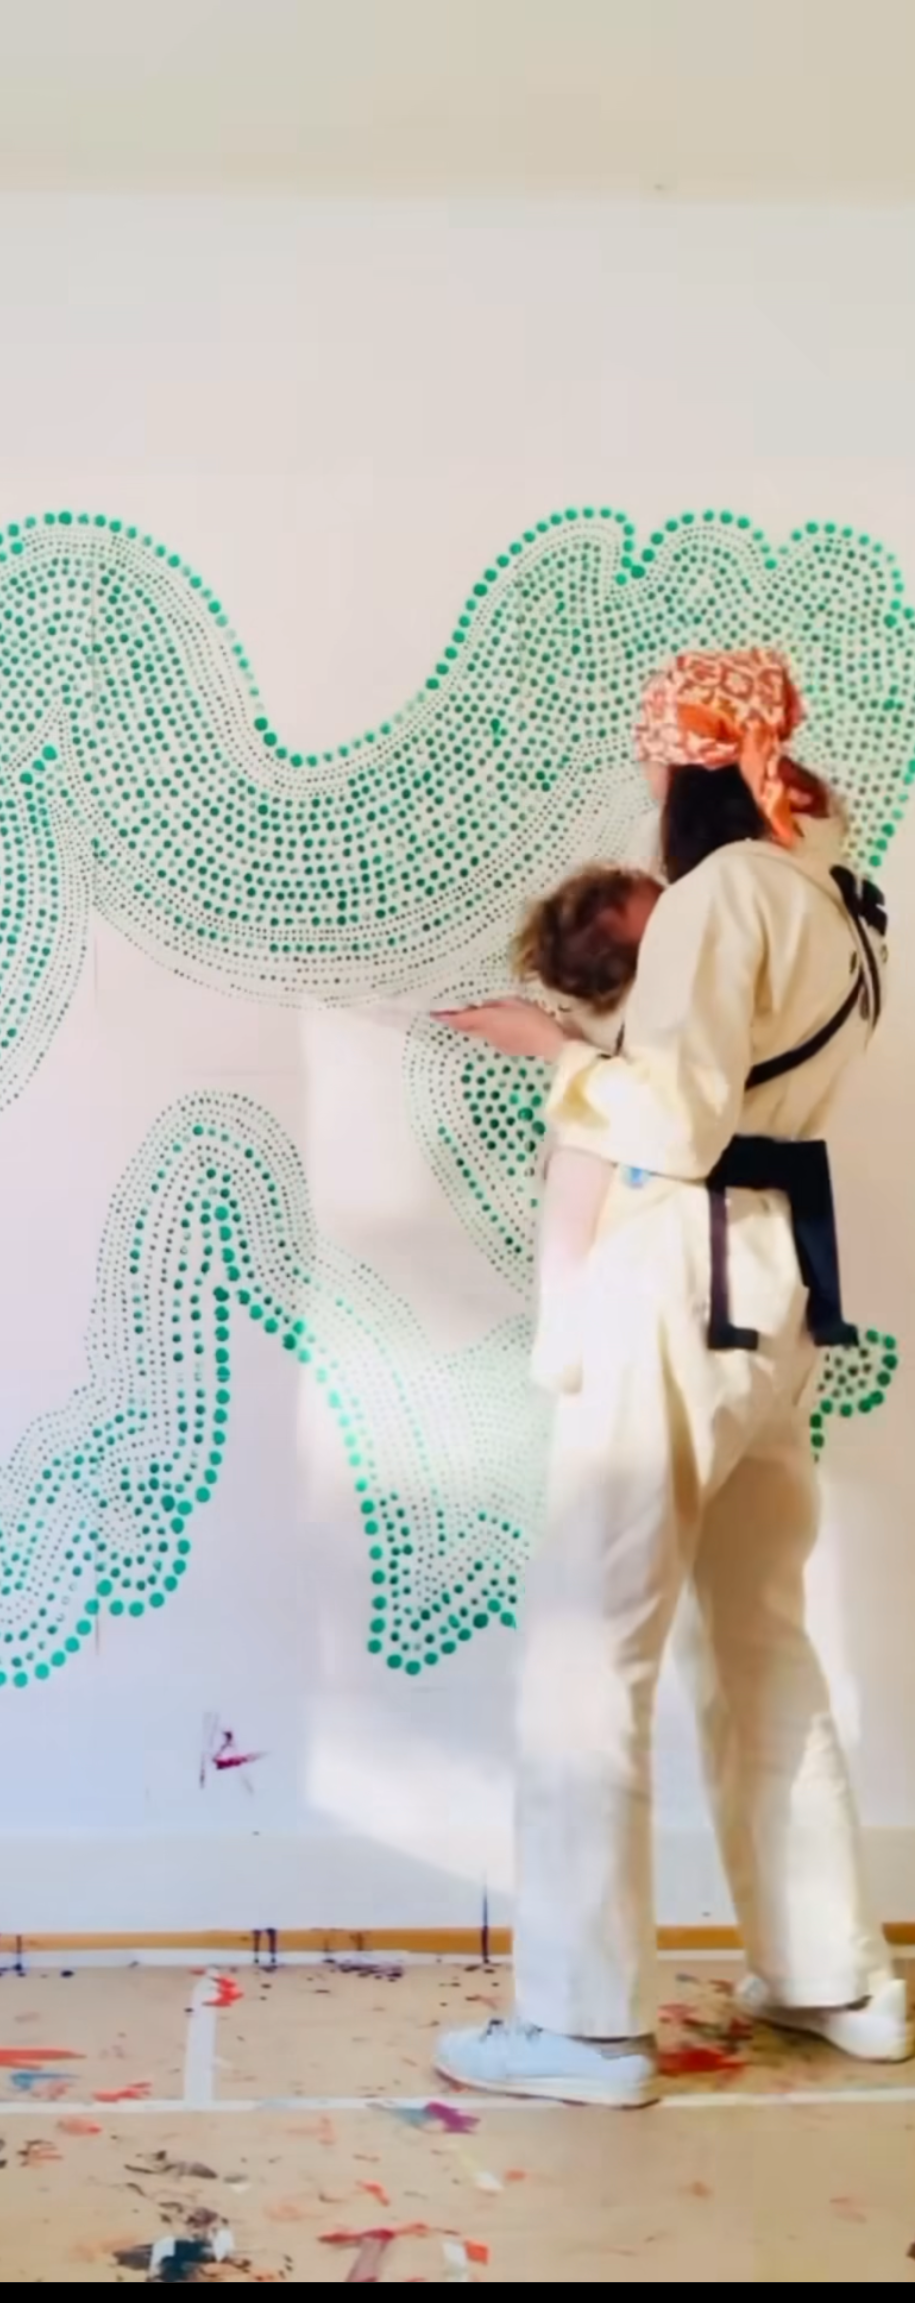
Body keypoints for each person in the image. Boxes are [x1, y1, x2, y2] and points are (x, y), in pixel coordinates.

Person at [431, 645, 910, 2105]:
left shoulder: (715, 896)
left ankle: (583, 2026)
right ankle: (834, 1976)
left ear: (681, 761)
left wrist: (555, 1054)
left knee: (592, 1647)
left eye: (651, 754)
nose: (643, 778)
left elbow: (679, 1123)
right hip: (776, 1294)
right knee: (762, 1637)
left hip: (678, 1281)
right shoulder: (835, 897)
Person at [508, 864, 664, 1394]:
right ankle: (562, 1344)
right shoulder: (616, 1011)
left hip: (615, 1142)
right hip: (593, 1136)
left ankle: (566, 1346)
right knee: (569, 1246)